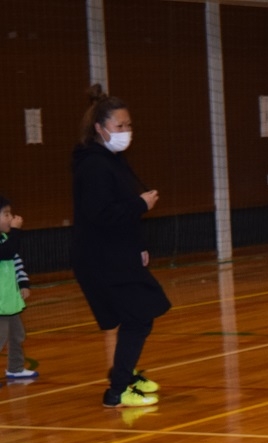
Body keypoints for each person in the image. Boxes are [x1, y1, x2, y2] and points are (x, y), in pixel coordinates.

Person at [71, 84, 168, 409]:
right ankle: (117, 390)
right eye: (119, 126)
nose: (126, 132)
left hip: (117, 252)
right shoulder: (94, 165)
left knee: (139, 314)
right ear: (100, 128)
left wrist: (138, 243)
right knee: (139, 316)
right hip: (101, 257)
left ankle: (123, 375)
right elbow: (100, 213)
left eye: (129, 125)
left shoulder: (114, 160)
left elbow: (122, 208)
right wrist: (140, 205)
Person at [0, 197, 36, 380]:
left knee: (17, 334)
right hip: (0, 304)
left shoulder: (7, 238)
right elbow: (6, 252)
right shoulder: (8, 241)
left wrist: (23, 284)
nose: (11, 218)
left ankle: (15, 368)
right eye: (6, 214)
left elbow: (16, 262)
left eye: (11, 214)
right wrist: (15, 231)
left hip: (10, 301)